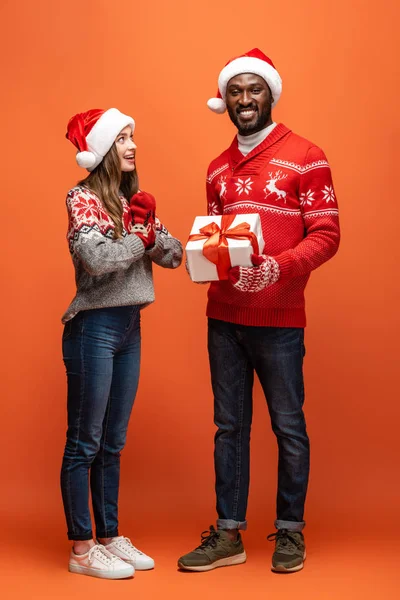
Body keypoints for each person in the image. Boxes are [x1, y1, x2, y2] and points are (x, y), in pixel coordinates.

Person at [178, 48, 340, 573]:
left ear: (270, 93)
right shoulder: (217, 168)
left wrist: (279, 269)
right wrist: (201, 259)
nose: (244, 99)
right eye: (235, 91)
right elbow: (222, 241)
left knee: (288, 426)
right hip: (223, 319)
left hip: (279, 321)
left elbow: (327, 235)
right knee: (230, 428)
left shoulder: (307, 155)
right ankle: (229, 533)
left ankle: (290, 532)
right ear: (224, 99)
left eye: (255, 89)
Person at [61, 108, 182, 579]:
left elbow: (172, 254)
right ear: (104, 149)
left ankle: (109, 535)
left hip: (129, 326)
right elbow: (94, 259)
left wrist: (149, 234)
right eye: (123, 138)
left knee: (113, 442)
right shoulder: (82, 199)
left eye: (134, 137)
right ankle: (82, 548)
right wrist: (140, 238)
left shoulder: (135, 200)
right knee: (84, 442)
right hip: (93, 328)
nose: (133, 145)